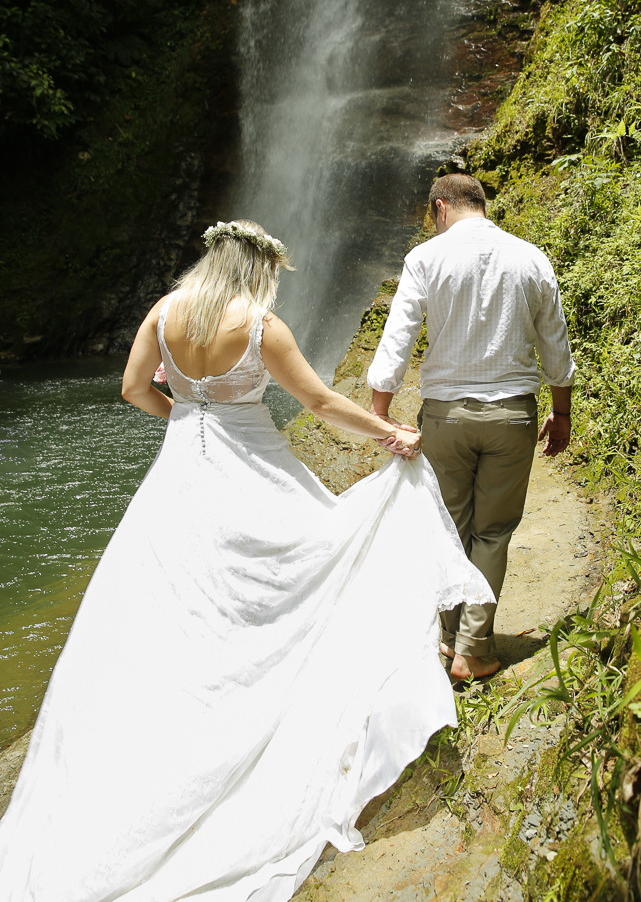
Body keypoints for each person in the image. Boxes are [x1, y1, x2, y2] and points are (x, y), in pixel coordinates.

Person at [0, 219, 492, 902]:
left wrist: (184, 416)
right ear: (257, 269)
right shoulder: (262, 326)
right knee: (302, 565)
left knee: (176, 599)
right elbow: (318, 401)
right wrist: (390, 432)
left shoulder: (165, 313)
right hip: (254, 464)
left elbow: (133, 389)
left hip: (177, 474)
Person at [368, 174, 576, 682]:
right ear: (481, 205)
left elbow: (397, 338)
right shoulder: (531, 258)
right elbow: (556, 342)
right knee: (493, 532)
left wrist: (379, 413)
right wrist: (562, 409)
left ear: (440, 207)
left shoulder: (425, 258)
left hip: (445, 416)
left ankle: (446, 638)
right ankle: (472, 650)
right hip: (512, 415)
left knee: (447, 526)